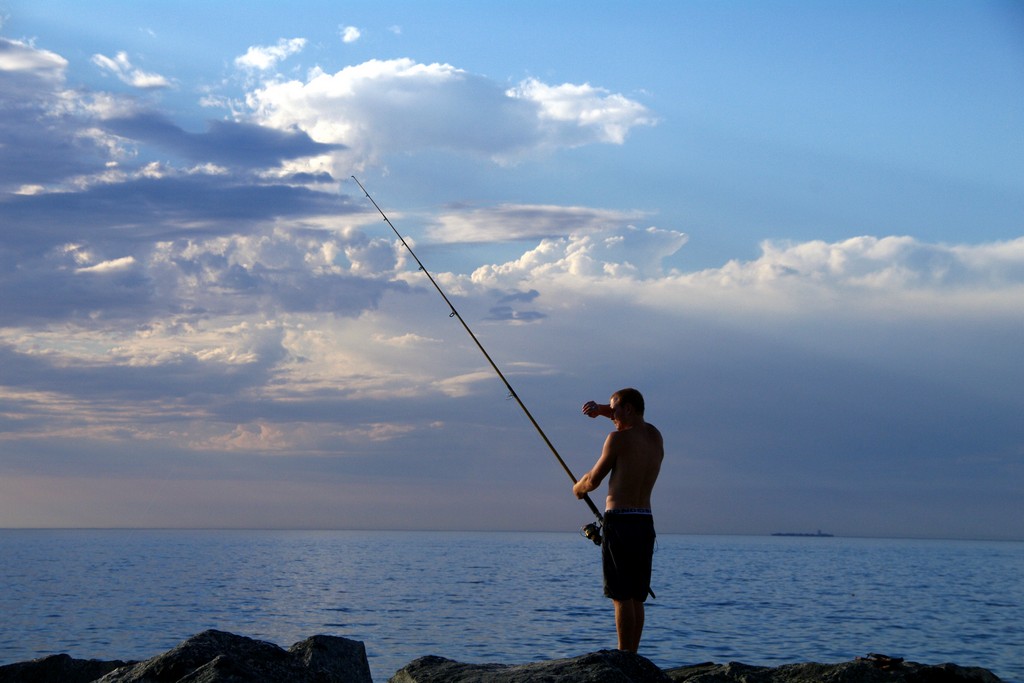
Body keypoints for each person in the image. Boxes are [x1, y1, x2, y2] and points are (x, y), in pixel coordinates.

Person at [573, 387, 664, 653]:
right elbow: (628, 415)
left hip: (620, 522)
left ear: (628, 409)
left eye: (614, 410)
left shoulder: (617, 439)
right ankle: (633, 657)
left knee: (621, 596)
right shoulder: (655, 437)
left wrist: (577, 489)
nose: (610, 415)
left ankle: (624, 658)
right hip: (644, 522)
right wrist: (601, 409)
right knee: (637, 595)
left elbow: (593, 480)